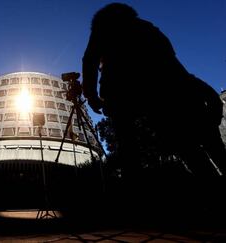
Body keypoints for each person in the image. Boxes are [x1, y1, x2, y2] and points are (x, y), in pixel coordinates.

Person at [82, 3, 226, 179]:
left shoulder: (103, 33)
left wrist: (92, 96)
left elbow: (89, 60)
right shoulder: (148, 28)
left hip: (132, 97)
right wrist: (205, 92)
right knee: (211, 146)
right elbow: (173, 63)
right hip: (178, 93)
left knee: (185, 151)